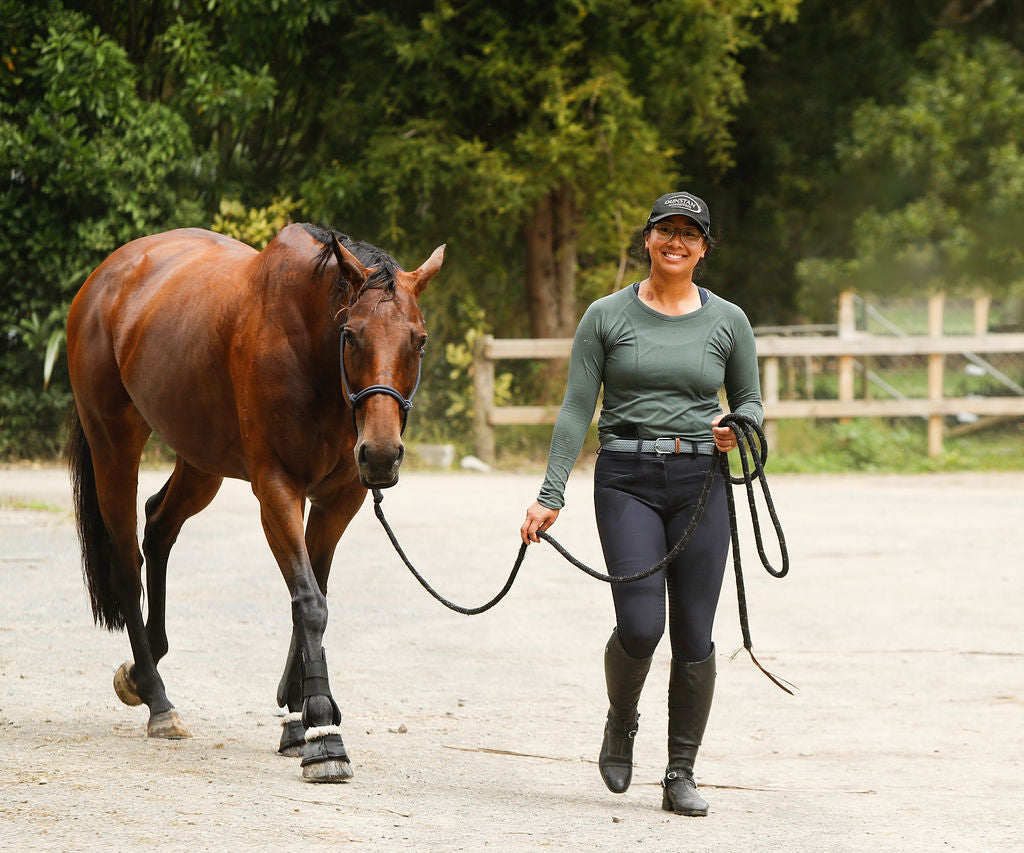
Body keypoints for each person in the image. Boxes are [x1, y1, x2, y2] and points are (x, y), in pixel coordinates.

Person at [520, 191, 763, 817]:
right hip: (626, 475)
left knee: (695, 635)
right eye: (665, 231)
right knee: (641, 625)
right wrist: (551, 495)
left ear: (704, 247)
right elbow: (577, 407)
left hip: (701, 481)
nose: (676, 241)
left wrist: (738, 426)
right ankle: (621, 721)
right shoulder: (606, 316)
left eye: (689, 233)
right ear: (648, 239)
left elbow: (751, 402)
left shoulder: (729, 321)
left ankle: (680, 770)